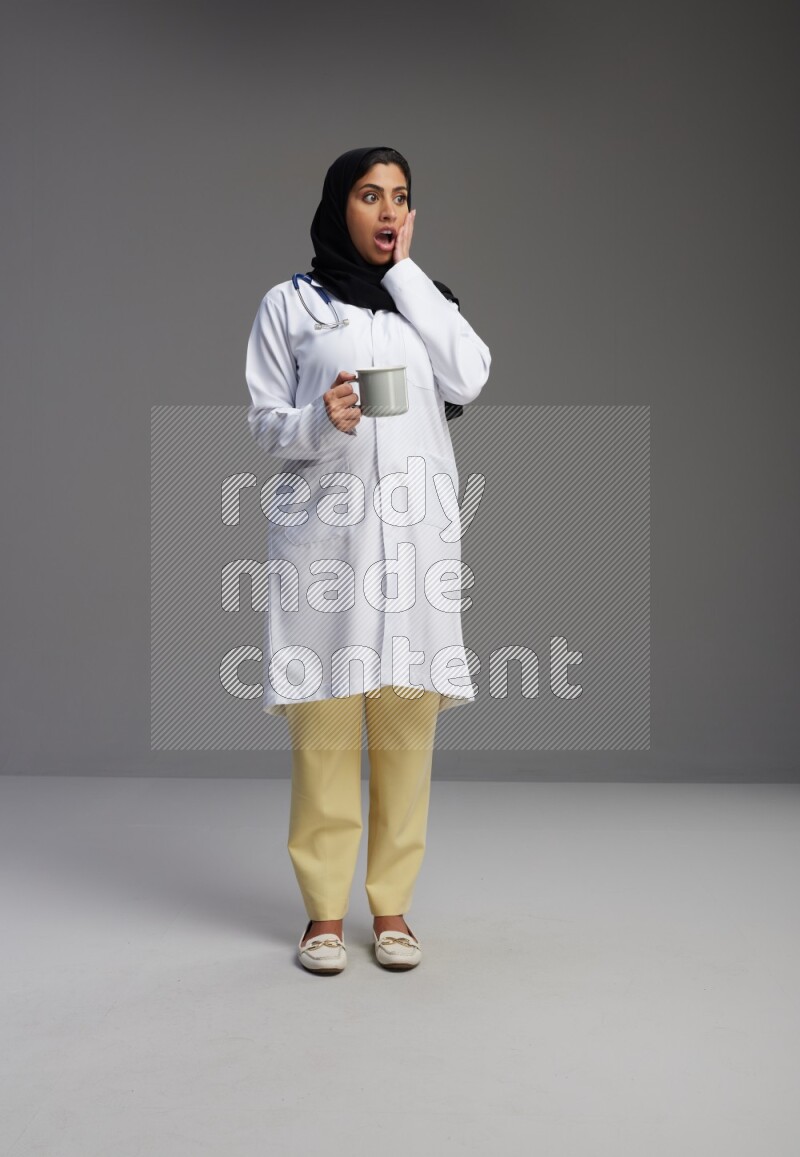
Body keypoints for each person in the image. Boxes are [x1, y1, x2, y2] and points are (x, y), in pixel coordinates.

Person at [245, 146, 491, 973]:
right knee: (323, 729)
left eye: (401, 199)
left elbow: (472, 374)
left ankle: (391, 907)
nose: (388, 212)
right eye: (370, 196)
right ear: (336, 206)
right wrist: (322, 419)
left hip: (414, 546)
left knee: (403, 732)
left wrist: (408, 276)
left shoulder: (426, 305)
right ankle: (322, 912)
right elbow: (263, 422)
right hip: (327, 546)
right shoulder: (291, 305)